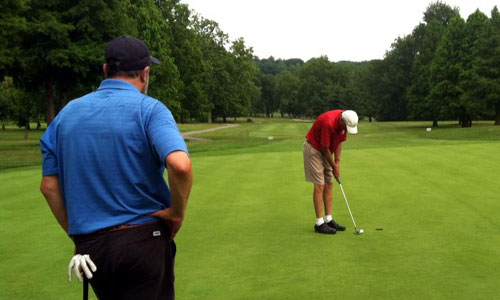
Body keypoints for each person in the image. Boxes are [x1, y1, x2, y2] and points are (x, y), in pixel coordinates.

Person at [40, 36, 193, 300]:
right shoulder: (150, 109)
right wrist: (177, 213)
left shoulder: (65, 115)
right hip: (144, 239)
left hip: (92, 249)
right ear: (145, 74)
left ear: (105, 70)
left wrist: (80, 237)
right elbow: (180, 165)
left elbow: (49, 186)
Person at [303, 109, 358, 234]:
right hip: (314, 148)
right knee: (319, 185)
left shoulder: (345, 121)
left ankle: (328, 219)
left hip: (326, 150)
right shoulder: (329, 123)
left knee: (329, 183)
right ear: (342, 121)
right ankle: (319, 223)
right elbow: (324, 147)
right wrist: (334, 166)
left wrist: (337, 162)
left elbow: (338, 143)